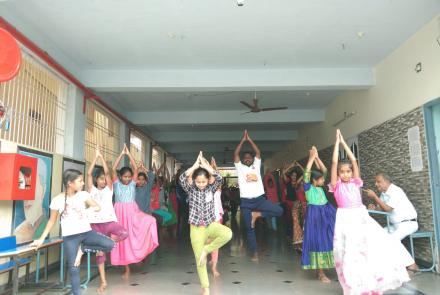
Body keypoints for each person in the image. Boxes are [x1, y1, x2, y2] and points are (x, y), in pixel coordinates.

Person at [331, 129, 410, 294]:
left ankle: (370, 281)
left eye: (348, 171)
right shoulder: (336, 186)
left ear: (352, 172)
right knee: (349, 252)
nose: (346, 174)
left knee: (370, 247)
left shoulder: (356, 182)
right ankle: (354, 284)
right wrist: (336, 144)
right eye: (342, 172)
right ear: (338, 174)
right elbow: (333, 163)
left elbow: (353, 159)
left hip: (360, 217)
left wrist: (344, 142)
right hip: (345, 218)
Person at [31, 169, 115, 295]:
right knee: (74, 269)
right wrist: (41, 239)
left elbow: (97, 207)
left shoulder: (83, 195)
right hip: (70, 238)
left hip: (87, 233)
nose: (82, 183)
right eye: (80, 181)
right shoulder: (58, 200)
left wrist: (88, 211)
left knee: (110, 244)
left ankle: (82, 249)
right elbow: (51, 221)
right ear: (70, 183)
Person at [179, 152, 232, 295]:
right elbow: (182, 178)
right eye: (198, 182)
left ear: (208, 180)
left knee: (228, 233)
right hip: (196, 229)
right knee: (199, 260)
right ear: (194, 181)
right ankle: (206, 287)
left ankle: (207, 250)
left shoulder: (212, 187)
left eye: (203, 181)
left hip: (210, 224)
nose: (201, 184)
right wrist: (196, 165)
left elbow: (219, 178)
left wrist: (208, 168)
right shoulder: (191, 189)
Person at [234, 130, 283, 261]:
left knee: (279, 211)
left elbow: (258, 153)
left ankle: (257, 215)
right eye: (246, 158)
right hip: (246, 202)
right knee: (249, 228)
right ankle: (255, 253)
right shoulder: (240, 169)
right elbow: (236, 154)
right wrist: (242, 141)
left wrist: (249, 140)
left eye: (250, 157)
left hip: (260, 200)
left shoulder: (256, 166)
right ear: (243, 160)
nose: (248, 159)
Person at [111, 144, 159, 279]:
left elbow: (135, 167)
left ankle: (138, 256)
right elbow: (113, 168)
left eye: (129, 177)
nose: (127, 179)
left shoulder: (133, 183)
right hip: (119, 214)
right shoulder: (116, 184)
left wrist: (129, 154)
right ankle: (126, 268)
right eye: (124, 176)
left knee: (148, 223)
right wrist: (122, 154)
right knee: (122, 240)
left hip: (132, 213)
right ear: (120, 176)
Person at [87, 145, 128, 293]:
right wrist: (95, 157)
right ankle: (103, 282)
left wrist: (102, 157)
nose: (103, 181)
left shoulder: (109, 189)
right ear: (97, 180)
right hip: (95, 225)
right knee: (100, 254)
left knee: (124, 233)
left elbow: (108, 172)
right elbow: (89, 173)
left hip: (109, 222)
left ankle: (110, 243)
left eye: (105, 179)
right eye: (101, 179)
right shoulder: (91, 190)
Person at [364, 172, 420, 273]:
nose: (376, 184)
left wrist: (375, 197)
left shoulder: (396, 191)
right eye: (376, 182)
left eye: (378, 182)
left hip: (408, 224)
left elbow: (388, 209)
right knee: (377, 236)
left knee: (391, 240)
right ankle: (389, 265)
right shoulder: (384, 194)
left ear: (386, 181)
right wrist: (374, 207)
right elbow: (381, 208)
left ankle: (413, 266)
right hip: (395, 225)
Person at [301, 146, 336, 283]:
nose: (323, 181)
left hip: (326, 213)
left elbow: (325, 170)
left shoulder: (320, 187)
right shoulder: (308, 187)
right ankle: (320, 273)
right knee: (318, 241)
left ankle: (321, 268)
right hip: (315, 216)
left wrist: (317, 157)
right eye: (321, 179)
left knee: (328, 239)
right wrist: (310, 159)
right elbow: (306, 172)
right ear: (314, 180)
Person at [282, 161, 306, 252]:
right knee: (291, 220)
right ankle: (292, 236)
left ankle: (300, 239)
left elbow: (305, 174)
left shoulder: (301, 185)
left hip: (299, 203)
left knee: (299, 222)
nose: (294, 177)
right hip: (291, 202)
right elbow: (284, 173)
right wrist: (292, 166)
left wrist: (299, 165)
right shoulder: (291, 183)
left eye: (296, 176)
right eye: (293, 175)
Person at [208, 157, 224, 278]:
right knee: (207, 242)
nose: (212, 178)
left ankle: (214, 267)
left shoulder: (218, 187)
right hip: (205, 218)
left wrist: (214, 166)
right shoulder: (202, 187)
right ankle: (209, 257)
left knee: (215, 243)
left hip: (217, 217)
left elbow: (218, 177)